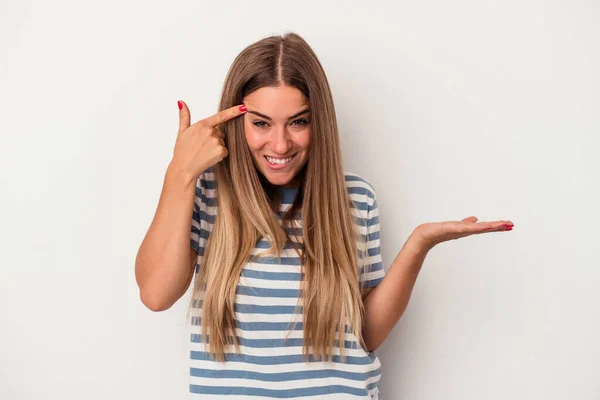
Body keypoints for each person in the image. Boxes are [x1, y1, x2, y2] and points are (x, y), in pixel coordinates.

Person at [135, 32, 514, 399]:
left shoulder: (355, 200)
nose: (280, 144)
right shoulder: (207, 193)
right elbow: (155, 294)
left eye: (298, 121)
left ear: (320, 122)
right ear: (236, 122)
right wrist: (180, 173)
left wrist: (418, 245)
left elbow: (363, 335)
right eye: (261, 123)